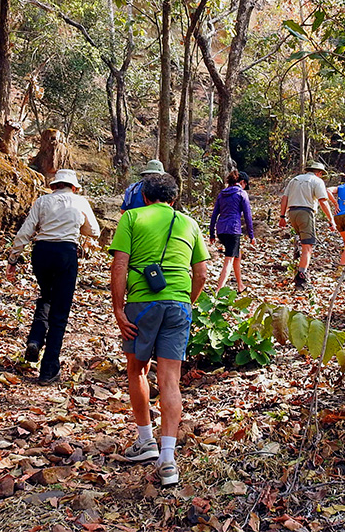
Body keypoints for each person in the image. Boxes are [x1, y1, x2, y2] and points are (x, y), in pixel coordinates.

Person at [110, 173, 209, 487]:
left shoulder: (132, 218)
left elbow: (120, 264)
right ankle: (168, 460)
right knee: (170, 379)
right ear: (174, 198)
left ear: (145, 196)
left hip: (142, 304)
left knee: (137, 370)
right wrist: (187, 301)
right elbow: (202, 273)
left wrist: (117, 307)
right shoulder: (189, 223)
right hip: (179, 304)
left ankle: (145, 441)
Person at [6, 169, 100, 385]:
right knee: (60, 312)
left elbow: (26, 230)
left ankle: (36, 339)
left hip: (41, 253)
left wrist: (13, 259)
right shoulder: (80, 202)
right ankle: (49, 369)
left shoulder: (42, 201)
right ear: (73, 187)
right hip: (66, 254)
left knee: (46, 296)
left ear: (54, 185)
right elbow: (93, 231)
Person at [279, 161, 336, 290]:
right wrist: (331, 220)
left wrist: (282, 217)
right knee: (307, 246)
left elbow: (284, 198)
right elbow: (323, 201)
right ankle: (301, 278)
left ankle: (299, 267)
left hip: (292, 213)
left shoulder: (294, 180)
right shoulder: (316, 181)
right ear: (319, 172)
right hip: (306, 212)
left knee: (301, 241)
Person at [209, 170, 255, 293]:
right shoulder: (241, 194)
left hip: (221, 229)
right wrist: (251, 235)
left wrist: (212, 233)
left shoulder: (222, 194)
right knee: (228, 260)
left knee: (237, 255)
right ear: (242, 182)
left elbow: (214, 214)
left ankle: (240, 285)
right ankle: (218, 291)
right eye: (246, 185)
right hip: (233, 230)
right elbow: (247, 216)